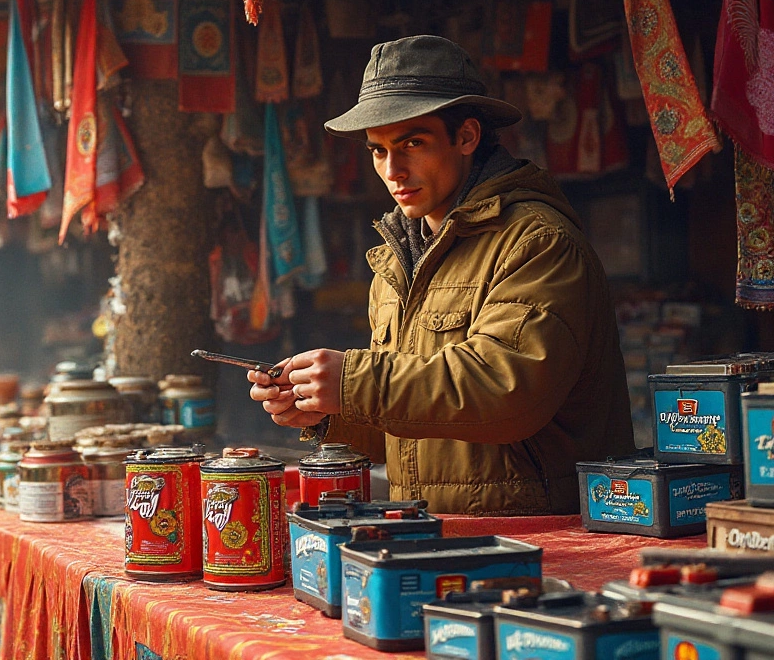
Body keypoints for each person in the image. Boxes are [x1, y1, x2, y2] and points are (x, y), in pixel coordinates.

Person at [249, 35, 634, 515]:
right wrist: (324, 408)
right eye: (378, 151)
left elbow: (506, 392)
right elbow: (414, 420)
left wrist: (352, 383)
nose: (394, 170)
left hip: (539, 534)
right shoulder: (394, 261)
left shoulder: (537, 242)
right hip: (429, 529)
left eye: (413, 143)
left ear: (468, 136)